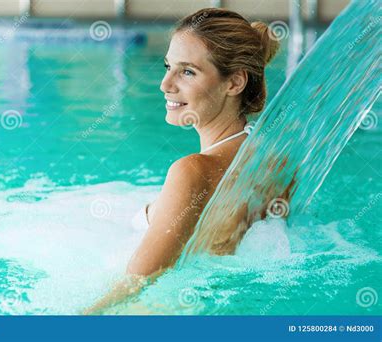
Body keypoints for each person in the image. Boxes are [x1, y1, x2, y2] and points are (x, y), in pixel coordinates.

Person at [84, 7, 280, 314]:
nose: (165, 84)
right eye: (168, 67)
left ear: (234, 83)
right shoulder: (271, 160)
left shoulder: (192, 172)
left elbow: (135, 285)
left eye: (187, 71)